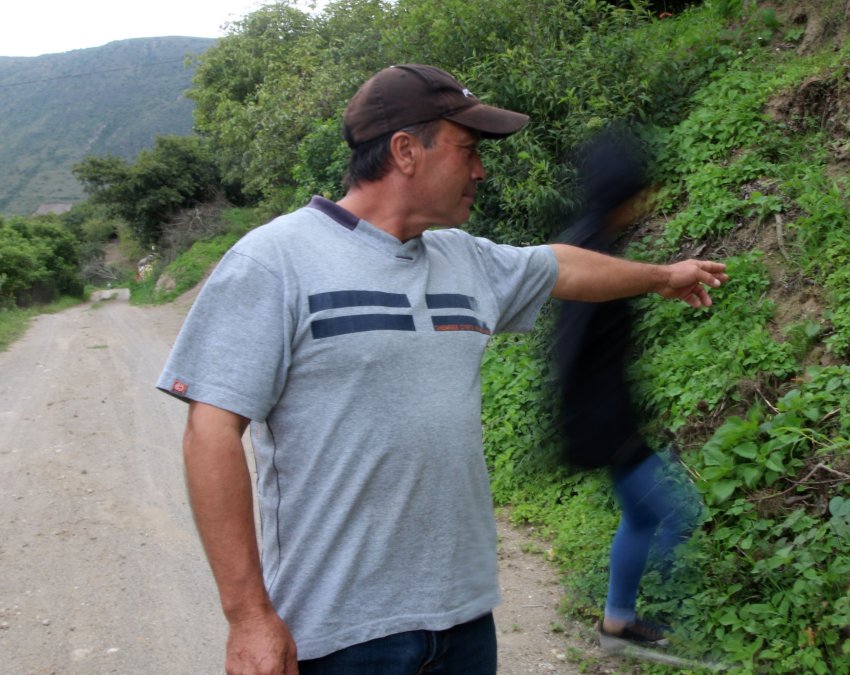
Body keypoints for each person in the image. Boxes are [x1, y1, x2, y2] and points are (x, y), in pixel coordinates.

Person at [156, 63, 729, 675]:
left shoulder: (464, 259)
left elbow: (562, 266)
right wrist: (248, 617)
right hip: (341, 632)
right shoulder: (275, 262)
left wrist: (664, 277)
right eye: (468, 150)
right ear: (406, 151)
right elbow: (211, 433)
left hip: (462, 619)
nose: (480, 170)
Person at [551, 127, 702, 654]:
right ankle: (686, 616)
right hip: (605, 423)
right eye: (641, 191)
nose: (647, 201)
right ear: (624, 194)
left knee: (642, 516)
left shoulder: (595, 240)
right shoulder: (590, 248)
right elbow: (571, 348)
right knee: (679, 516)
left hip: (611, 418)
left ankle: (617, 622)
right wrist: (587, 427)